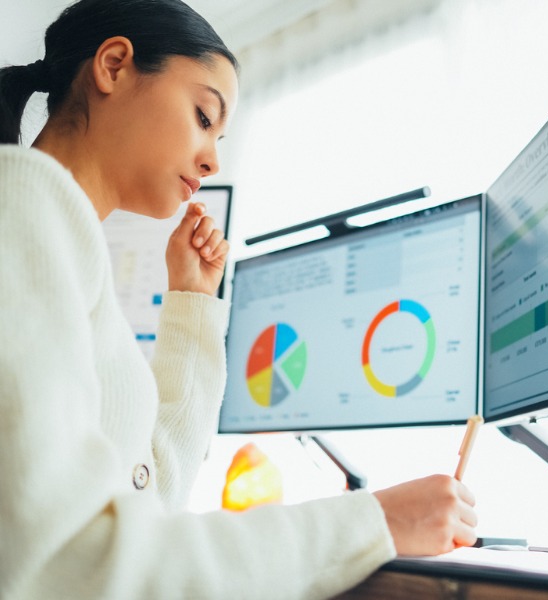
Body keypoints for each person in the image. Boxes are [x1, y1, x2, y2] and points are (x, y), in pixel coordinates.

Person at [0, 1, 478, 598]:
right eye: (203, 115)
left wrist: (192, 305)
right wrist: (375, 521)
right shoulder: (21, 200)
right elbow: (67, 563)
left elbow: (149, 501)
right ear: (115, 66)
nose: (213, 159)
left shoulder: (57, 236)